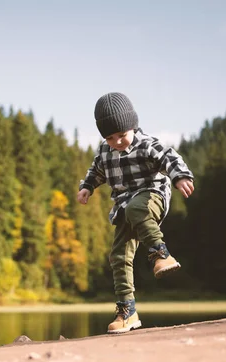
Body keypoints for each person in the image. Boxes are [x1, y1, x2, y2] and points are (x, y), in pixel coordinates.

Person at [77, 92, 195, 334]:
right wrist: (87, 187)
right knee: (118, 256)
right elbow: (96, 171)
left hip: (152, 196)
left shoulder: (146, 144)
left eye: (122, 135)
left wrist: (180, 176)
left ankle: (161, 254)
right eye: (110, 137)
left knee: (136, 207)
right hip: (123, 206)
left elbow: (169, 157)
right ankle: (127, 312)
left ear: (133, 125)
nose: (118, 141)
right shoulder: (105, 151)